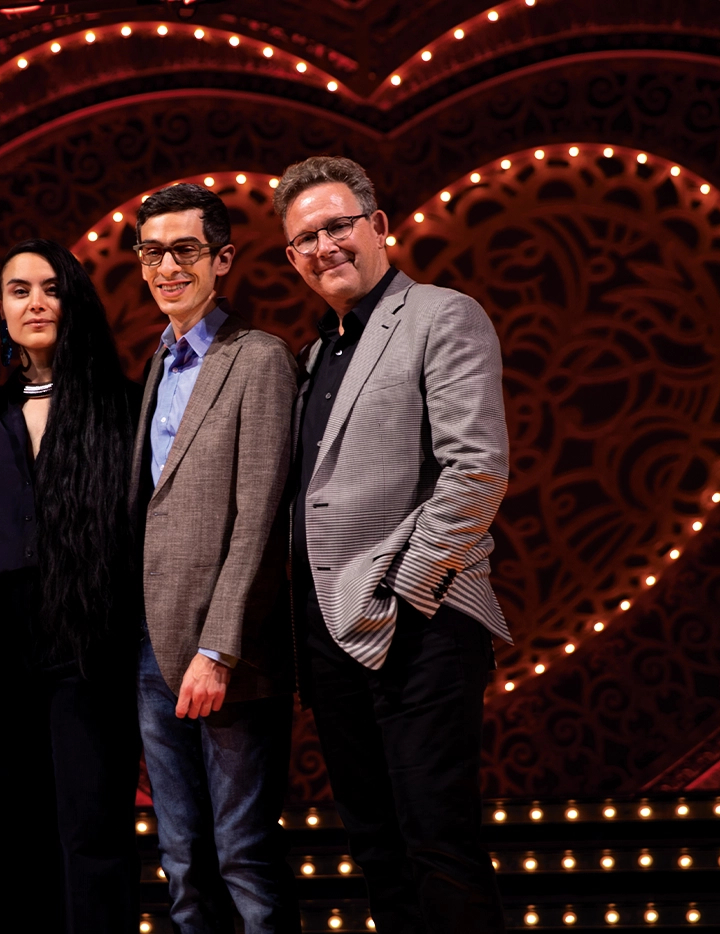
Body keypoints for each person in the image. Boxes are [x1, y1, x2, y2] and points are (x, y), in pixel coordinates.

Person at [274, 155, 510, 934]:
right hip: (330, 635)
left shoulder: (443, 314)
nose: (324, 246)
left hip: (422, 621)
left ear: (378, 226)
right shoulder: (311, 357)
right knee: (376, 848)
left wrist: (405, 594)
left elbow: (475, 470)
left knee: (435, 840)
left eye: (337, 226)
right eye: (304, 238)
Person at [0, 239, 140, 933]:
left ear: (75, 300)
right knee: (3, 832)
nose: (34, 302)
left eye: (50, 288)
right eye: (18, 290)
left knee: (91, 827)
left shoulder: (123, 407)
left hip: (88, 634)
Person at [127, 183, 300, 934]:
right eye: (152, 251)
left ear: (221, 259)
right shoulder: (155, 367)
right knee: (183, 862)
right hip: (149, 652)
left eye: (185, 250)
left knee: (243, 858)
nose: (168, 266)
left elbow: (259, 517)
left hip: (221, 656)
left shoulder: (257, 359)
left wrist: (218, 647)